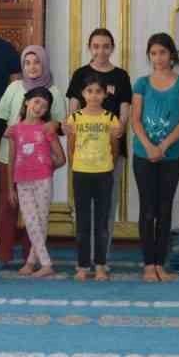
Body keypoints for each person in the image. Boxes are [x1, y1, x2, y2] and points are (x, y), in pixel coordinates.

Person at [0, 45, 66, 269]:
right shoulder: (14, 87)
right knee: (8, 207)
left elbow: (61, 125)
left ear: (44, 64)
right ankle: (2, 256)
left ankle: (30, 257)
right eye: (27, 63)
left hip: (40, 164)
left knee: (36, 214)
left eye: (37, 62)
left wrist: (54, 126)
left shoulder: (53, 92)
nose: (32, 67)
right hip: (10, 158)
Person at [131, 32, 179, 282]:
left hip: (171, 156)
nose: (158, 58)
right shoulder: (141, 84)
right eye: (153, 53)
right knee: (147, 208)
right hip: (143, 154)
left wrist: (164, 145)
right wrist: (149, 146)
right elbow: (135, 120)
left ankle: (160, 264)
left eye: (163, 52)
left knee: (164, 208)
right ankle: (148, 264)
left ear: (172, 55)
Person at [5, 86, 64, 278]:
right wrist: (10, 188)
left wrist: (48, 167)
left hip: (43, 181)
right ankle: (43, 263)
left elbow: (61, 158)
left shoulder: (46, 129)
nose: (40, 107)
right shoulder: (14, 130)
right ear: (26, 102)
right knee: (31, 221)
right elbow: (11, 160)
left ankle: (34, 262)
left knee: (40, 222)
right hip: (22, 181)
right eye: (37, 101)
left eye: (45, 106)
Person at [67, 76, 121, 281]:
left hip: (104, 174)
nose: (94, 95)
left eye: (98, 91)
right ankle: (82, 266)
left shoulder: (110, 118)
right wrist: (76, 165)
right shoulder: (75, 118)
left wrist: (106, 165)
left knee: (101, 222)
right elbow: (71, 146)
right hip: (81, 174)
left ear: (105, 94)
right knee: (82, 222)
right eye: (89, 91)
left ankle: (100, 265)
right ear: (83, 94)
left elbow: (115, 149)